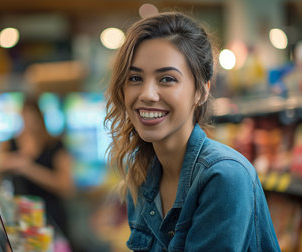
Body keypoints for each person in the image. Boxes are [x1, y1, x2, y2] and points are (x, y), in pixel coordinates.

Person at [104, 12, 280, 251]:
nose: (146, 94)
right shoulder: (143, 177)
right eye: (135, 78)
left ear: (201, 91)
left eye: (166, 79)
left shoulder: (225, 176)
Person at [0, 96, 75, 244]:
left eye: (33, 117)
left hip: (51, 216)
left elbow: (67, 186)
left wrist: (29, 169)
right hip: (19, 218)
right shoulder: (9, 143)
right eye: (26, 116)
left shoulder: (54, 145)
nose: (30, 122)